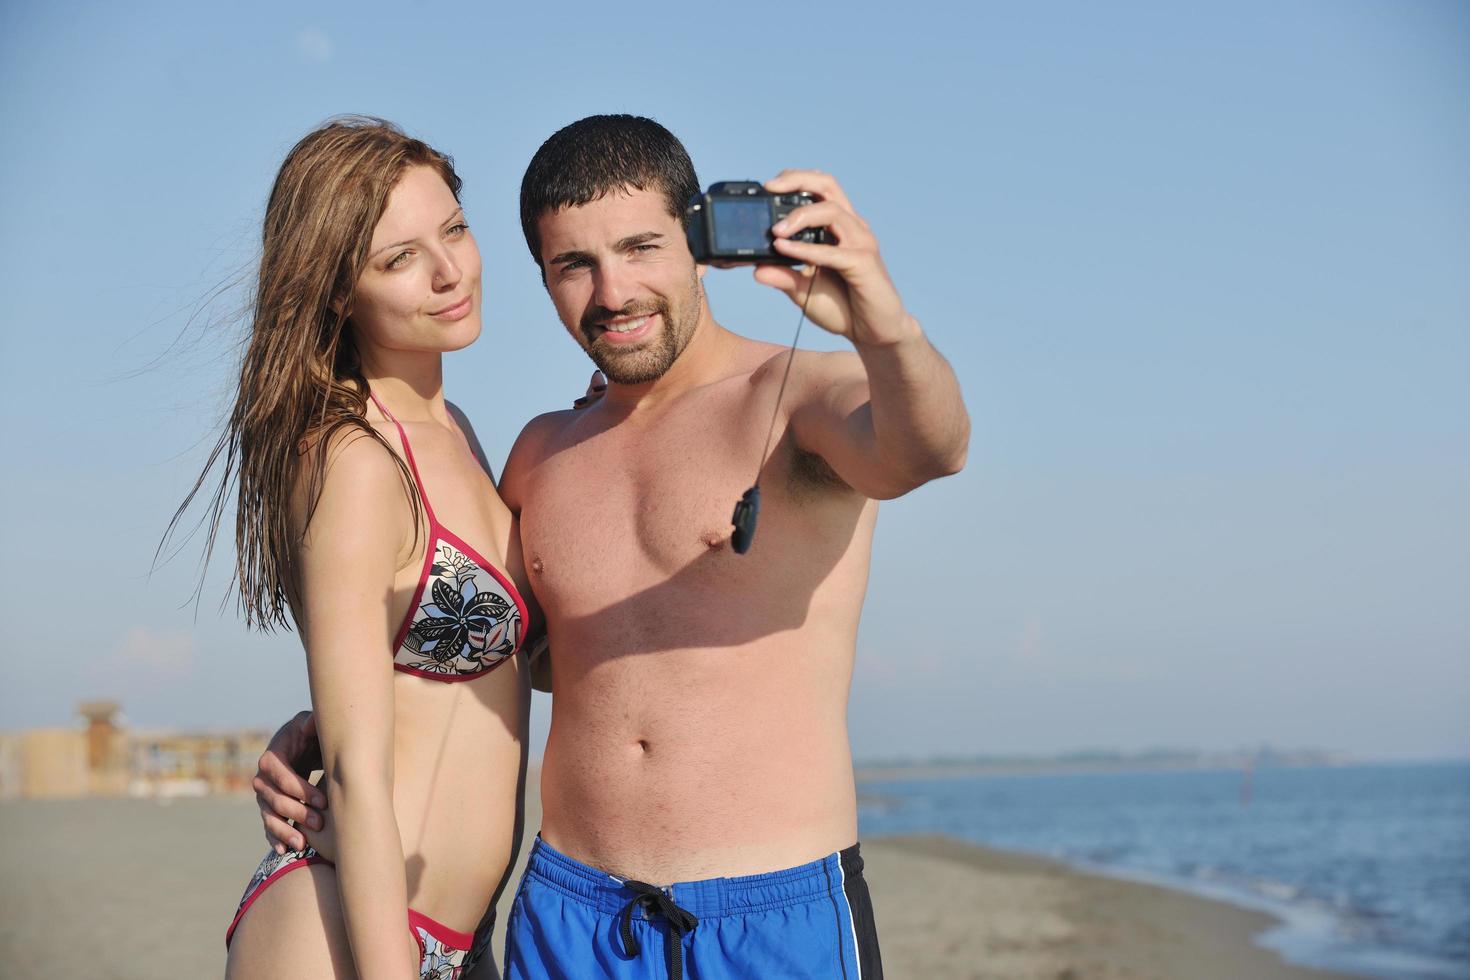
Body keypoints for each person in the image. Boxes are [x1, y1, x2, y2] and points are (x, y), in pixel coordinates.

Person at [255, 114, 970, 980]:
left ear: (699, 242)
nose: (614, 291)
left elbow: (930, 448)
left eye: (641, 248)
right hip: (569, 917)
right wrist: (330, 727)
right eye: (574, 265)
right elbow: (511, 653)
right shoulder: (538, 454)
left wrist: (882, 326)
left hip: (771, 913)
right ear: (543, 277)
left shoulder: (798, 399)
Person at [174, 117, 540, 979]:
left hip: (457, 940)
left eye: (453, 229)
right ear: (339, 292)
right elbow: (359, 770)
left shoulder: (460, 434)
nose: (450, 272)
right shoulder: (354, 457)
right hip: (345, 930)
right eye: (399, 258)